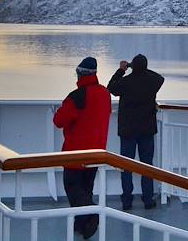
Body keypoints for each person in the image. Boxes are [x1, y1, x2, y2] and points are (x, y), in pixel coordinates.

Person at [53, 57, 112, 239]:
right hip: (97, 154)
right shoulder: (104, 94)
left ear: (79, 74)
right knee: (86, 189)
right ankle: (82, 226)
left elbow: (59, 121)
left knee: (73, 189)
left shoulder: (76, 97)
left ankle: (92, 215)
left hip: (75, 155)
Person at [108, 54, 165, 210]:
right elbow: (160, 78)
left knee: (126, 166)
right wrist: (140, 68)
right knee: (147, 165)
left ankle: (127, 200)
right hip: (147, 129)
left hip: (128, 130)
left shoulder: (126, 82)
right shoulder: (152, 81)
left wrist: (121, 70)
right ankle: (148, 199)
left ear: (133, 66)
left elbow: (111, 87)